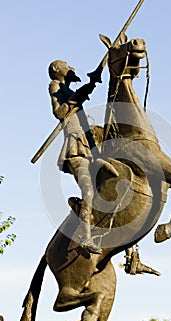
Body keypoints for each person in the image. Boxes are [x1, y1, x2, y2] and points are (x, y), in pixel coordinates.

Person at [48, 59, 113, 254]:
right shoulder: (55, 86)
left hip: (89, 146)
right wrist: (81, 93)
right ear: (56, 69)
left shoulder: (68, 90)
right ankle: (85, 237)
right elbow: (59, 112)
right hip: (75, 148)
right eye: (65, 65)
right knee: (88, 190)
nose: (71, 67)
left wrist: (88, 87)